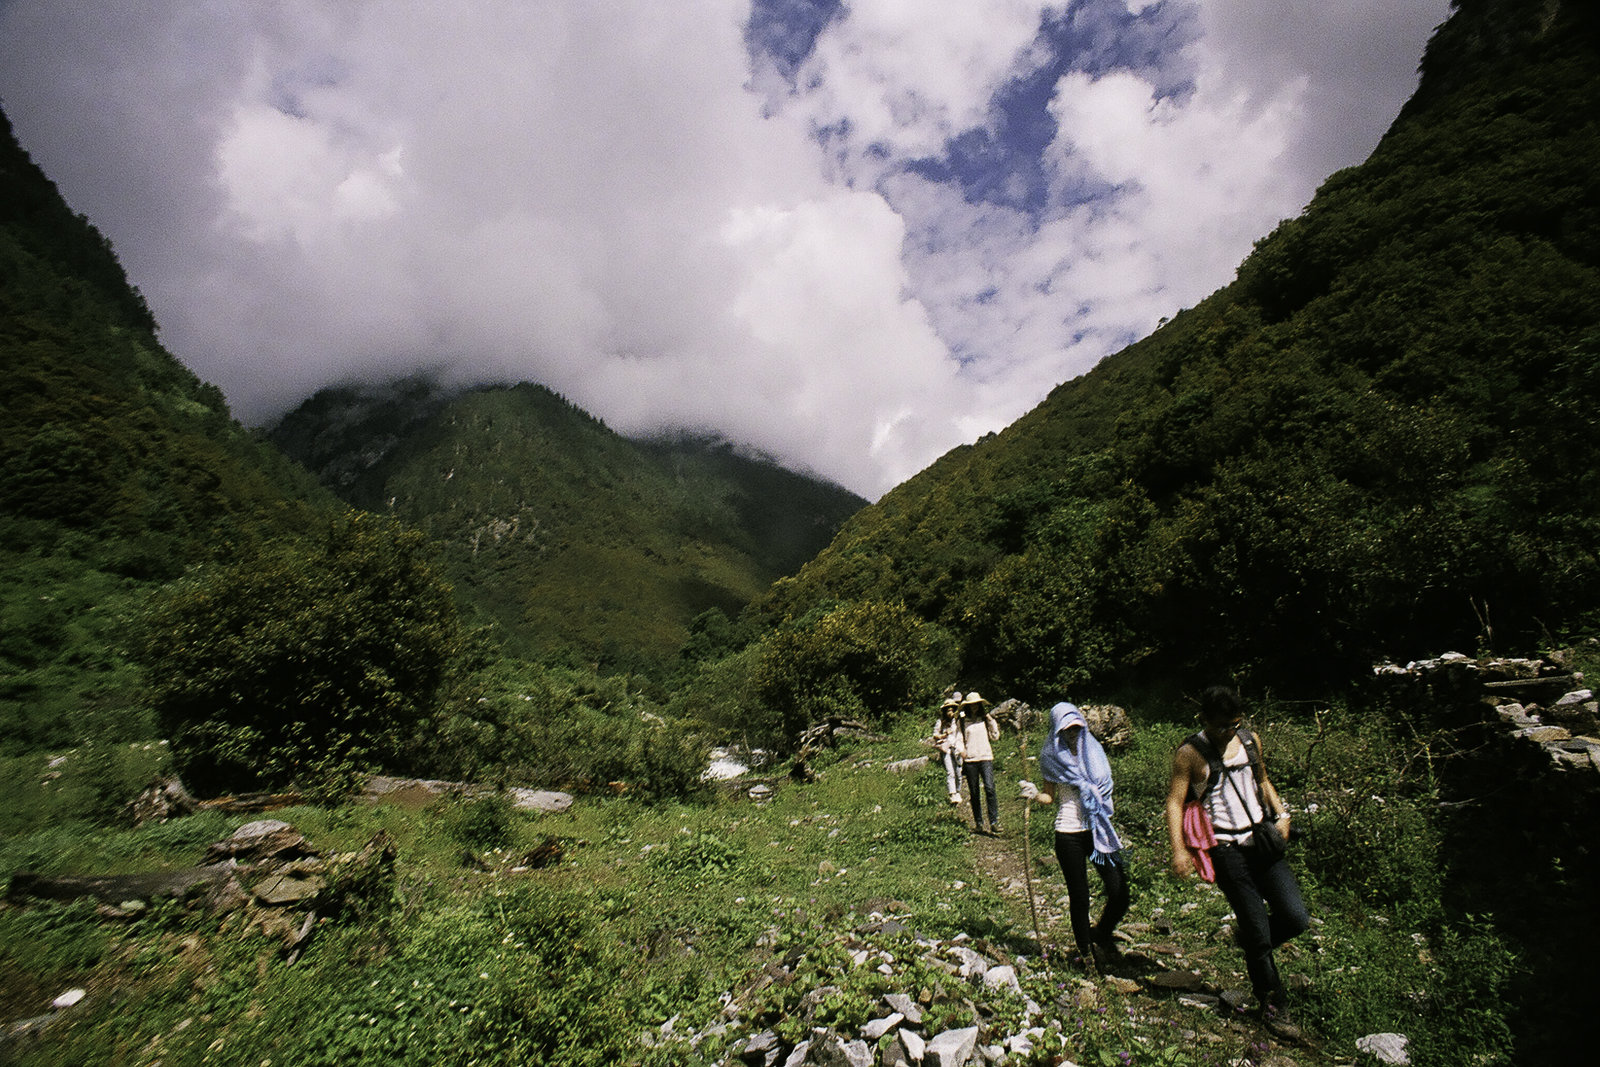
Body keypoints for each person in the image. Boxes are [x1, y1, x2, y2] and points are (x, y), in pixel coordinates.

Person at [1165, 686, 1310, 1042]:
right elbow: (1174, 801)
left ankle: (1251, 942)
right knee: (1259, 933)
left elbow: (1262, 779)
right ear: (1204, 720)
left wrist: (1282, 814)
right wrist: (1179, 850)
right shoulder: (1189, 753)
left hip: (1261, 838)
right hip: (1226, 850)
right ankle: (1274, 1007)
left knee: (1295, 917)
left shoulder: (1249, 741)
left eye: (1233, 724)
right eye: (1220, 726)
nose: (1227, 731)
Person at [1019, 701, 1130, 970]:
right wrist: (1035, 793)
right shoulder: (1050, 756)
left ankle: (1101, 933)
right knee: (1080, 896)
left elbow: (1104, 787)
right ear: (1057, 730)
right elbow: (1050, 796)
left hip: (1097, 833)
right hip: (1068, 834)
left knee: (1119, 890)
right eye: (1066, 729)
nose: (1072, 734)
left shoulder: (1093, 751)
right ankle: (1086, 953)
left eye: (1076, 728)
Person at [959, 691, 1001, 834]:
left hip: (986, 757)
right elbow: (958, 738)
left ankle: (994, 821)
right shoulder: (963, 721)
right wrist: (962, 750)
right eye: (971, 705)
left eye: (976, 704)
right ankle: (978, 822)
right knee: (974, 791)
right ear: (968, 706)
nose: (974, 707)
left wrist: (989, 719)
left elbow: (995, 736)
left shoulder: (985, 719)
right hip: (971, 759)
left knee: (990, 788)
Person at [932, 693, 966, 805]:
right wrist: (944, 734)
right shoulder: (940, 722)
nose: (950, 712)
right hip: (946, 748)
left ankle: (958, 791)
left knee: (958, 771)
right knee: (950, 771)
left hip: (957, 748)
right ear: (945, 711)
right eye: (948, 710)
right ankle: (952, 794)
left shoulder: (959, 721)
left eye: (952, 709)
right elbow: (935, 735)